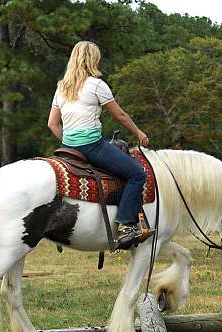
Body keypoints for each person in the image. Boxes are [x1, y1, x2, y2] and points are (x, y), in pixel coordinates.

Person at [47, 40, 153, 248]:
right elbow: (120, 115)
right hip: (92, 146)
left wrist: (69, 142)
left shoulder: (62, 88)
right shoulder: (96, 85)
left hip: (67, 148)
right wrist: (139, 132)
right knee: (138, 173)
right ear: (92, 59)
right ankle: (125, 226)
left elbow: (52, 123)